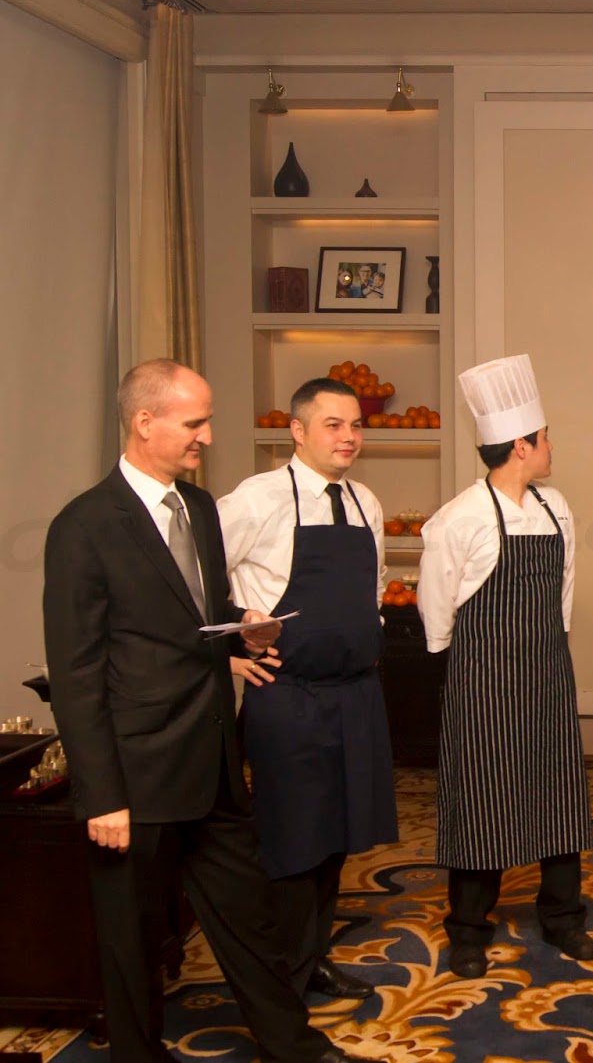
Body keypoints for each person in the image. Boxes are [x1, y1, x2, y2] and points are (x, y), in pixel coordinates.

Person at [42, 359, 353, 1063]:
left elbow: (196, 617)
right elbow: (77, 672)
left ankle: (294, 1047)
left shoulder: (200, 508)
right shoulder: (83, 526)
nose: (207, 437)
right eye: (195, 423)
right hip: (136, 777)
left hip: (212, 763)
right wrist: (102, 794)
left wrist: (242, 629)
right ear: (143, 421)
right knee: (131, 940)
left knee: (250, 919)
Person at [217, 376, 399, 1001]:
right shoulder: (259, 497)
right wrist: (228, 651)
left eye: (356, 425)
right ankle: (281, 978)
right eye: (333, 425)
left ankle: (312, 957)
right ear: (297, 431)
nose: (349, 437)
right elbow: (194, 579)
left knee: (337, 838)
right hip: (288, 694)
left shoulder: (366, 502)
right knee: (292, 840)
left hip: (356, 693)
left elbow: (373, 587)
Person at [418, 355, 593, 978]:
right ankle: (468, 931)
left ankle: (564, 918)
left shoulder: (556, 507)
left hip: (547, 675)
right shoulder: (461, 517)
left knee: (559, 797)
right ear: (522, 446)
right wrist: (463, 676)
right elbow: (435, 609)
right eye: (545, 437)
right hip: (483, 682)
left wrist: (550, 652)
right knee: (481, 801)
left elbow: (563, 591)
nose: (551, 447)